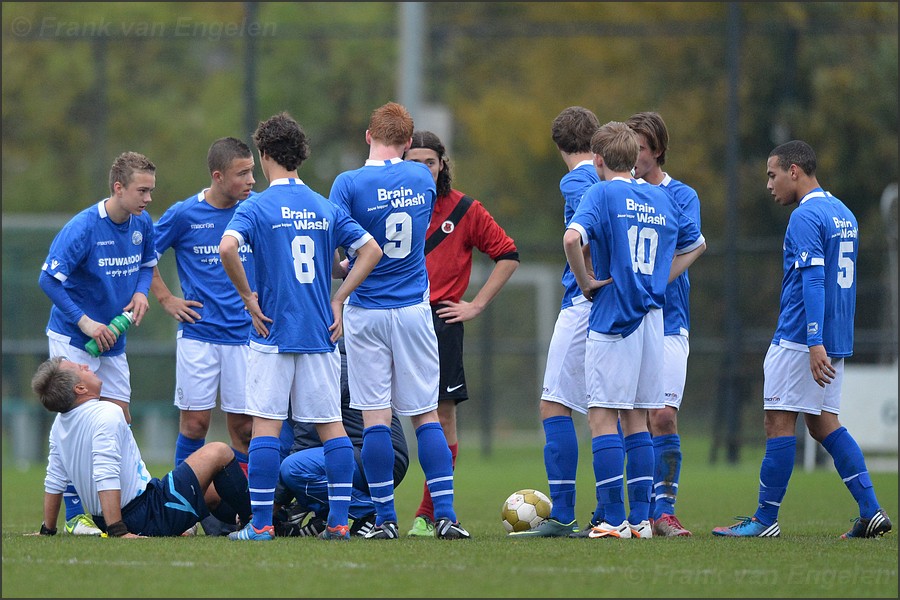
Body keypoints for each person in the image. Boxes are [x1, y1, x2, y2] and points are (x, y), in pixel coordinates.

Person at [713, 140, 892, 539]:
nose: (769, 184)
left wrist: (813, 341)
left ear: (795, 171)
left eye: (772, 175)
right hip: (836, 339)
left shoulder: (804, 217)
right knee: (824, 424)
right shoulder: (843, 213)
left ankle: (764, 519)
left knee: (777, 422)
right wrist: (827, 340)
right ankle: (871, 510)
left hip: (801, 338)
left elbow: (813, 280)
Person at [220, 111, 383, 542]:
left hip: (272, 333)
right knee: (332, 428)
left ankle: (260, 527)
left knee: (267, 427)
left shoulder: (255, 206)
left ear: (264, 154)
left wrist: (247, 298)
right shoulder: (324, 206)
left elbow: (227, 247)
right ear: (301, 155)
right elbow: (370, 250)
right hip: (318, 334)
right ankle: (341, 523)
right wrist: (339, 298)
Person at [329, 101, 471, 540]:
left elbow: (339, 252)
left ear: (367, 137)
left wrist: (346, 268)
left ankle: (384, 519)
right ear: (408, 144)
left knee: (375, 419)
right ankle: (443, 515)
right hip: (413, 310)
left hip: (367, 311)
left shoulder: (347, 183)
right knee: (426, 416)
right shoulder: (419, 176)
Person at [563, 121, 705, 539]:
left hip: (613, 318)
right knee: (638, 418)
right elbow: (692, 243)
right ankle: (642, 519)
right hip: (653, 319)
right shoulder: (661, 199)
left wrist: (586, 281)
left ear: (599, 160)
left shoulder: (602, 191)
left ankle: (611, 519)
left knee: (603, 418)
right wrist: (658, 279)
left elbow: (573, 239)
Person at [401, 130, 519, 537]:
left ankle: (429, 512)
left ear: (442, 165)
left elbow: (507, 253)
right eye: (412, 163)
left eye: (428, 163)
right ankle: (372, 514)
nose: (421, 170)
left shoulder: (464, 209)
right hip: (391, 318)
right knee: (375, 415)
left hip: (439, 323)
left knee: (440, 416)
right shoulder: (384, 205)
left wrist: (476, 304)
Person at [37, 151, 158, 535]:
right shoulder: (83, 227)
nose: (148, 199)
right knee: (74, 422)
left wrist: (141, 294)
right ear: (118, 188)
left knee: (119, 418)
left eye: (151, 191)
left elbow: (146, 265)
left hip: (114, 341)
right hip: (74, 339)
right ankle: (77, 517)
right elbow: (48, 280)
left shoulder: (143, 223)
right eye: (142, 190)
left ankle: (127, 506)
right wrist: (85, 322)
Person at [30, 357, 252, 538]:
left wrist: (47, 530)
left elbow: (55, 480)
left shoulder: (60, 424)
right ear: (80, 388)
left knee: (211, 493)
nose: (86, 366)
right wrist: (119, 531)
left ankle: (246, 521)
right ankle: (258, 522)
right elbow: (105, 473)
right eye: (80, 368)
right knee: (219, 451)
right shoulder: (107, 412)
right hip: (145, 514)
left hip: (127, 513)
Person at [511, 106, 601, 538]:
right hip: (624, 308)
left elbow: (581, 238)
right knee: (613, 412)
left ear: (559, 145)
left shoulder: (577, 180)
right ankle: (617, 513)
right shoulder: (619, 180)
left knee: (554, 405)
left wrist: (587, 278)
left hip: (585, 303)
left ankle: (563, 514)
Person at [151, 137, 257, 477]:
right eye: (242, 174)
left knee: (244, 428)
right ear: (218, 176)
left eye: (252, 171)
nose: (251, 181)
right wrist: (166, 298)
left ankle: (241, 510)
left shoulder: (256, 209)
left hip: (246, 335)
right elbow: (144, 256)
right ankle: (183, 509)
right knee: (195, 424)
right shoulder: (184, 214)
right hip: (200, 334)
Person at [626, 111, 701, 537]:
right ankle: (631, 513)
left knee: (663, 415)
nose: (634, 156)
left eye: (640, 147)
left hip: (670, 321)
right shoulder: (619, 193)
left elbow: (690, 247)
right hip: (628, 322)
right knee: (628, 416)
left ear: (656, 150)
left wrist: (650, 284)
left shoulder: (682, 196)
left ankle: (664, 511)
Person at [273, 338, 410, 538]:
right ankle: (321, 513)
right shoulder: (326, 358)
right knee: (282, 435)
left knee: (294, 469)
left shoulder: (325, 367)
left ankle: (372, 511)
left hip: (375, 458)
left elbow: (306, 441)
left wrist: (276, 505)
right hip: (360, 454)